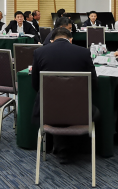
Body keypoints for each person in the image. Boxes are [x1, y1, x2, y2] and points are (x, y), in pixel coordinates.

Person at [29, 26, 97, 163]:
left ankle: (58, 148)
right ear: (70, 40)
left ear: (52, 40)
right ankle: (80, 148)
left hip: (48, 110)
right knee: (96, 112)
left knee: (56, 108)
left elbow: (35, 84)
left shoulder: (39, 52)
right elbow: (93, 84)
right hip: (78, 112)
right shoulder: (84, 52)